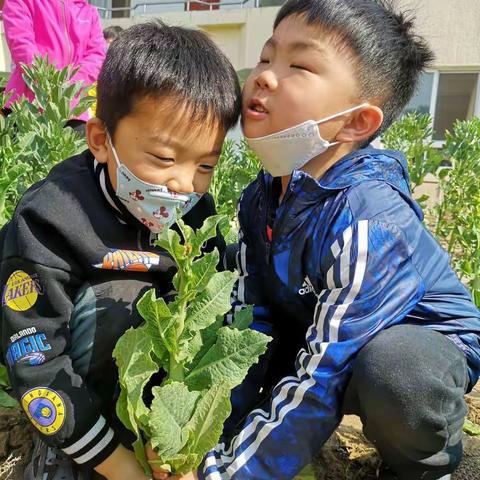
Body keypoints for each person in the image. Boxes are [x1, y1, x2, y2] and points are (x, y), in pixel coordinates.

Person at [159, 1, 480, 479]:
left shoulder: (368, 218)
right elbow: (249, 329)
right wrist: (206, 441)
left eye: (299, 66)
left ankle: (426, 464)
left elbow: (328, 367)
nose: (265, 76)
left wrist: (230, 474)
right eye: (267, 58)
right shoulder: (262, 197)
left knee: (396, 374)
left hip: (412, 347)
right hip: (321, 325)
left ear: (357, 122)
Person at [0, 21, 241, 480]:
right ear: (100, 141)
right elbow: (35, 360)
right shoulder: (52, 216)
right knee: (120, 300)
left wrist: (179, 440)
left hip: (149, 406)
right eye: (165, 159)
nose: (183, 185)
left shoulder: (196, 215)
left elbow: (209, 333)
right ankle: (66, 453)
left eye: (206, 165)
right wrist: (122, 469)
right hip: (63, 381)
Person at [2, 0, 106, 124]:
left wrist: (70, 84)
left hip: (71, 108)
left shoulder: (88, 11)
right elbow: (22, 46)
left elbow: (97, 54)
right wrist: (48, 83)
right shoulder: (21, 2)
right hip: (28, 104)